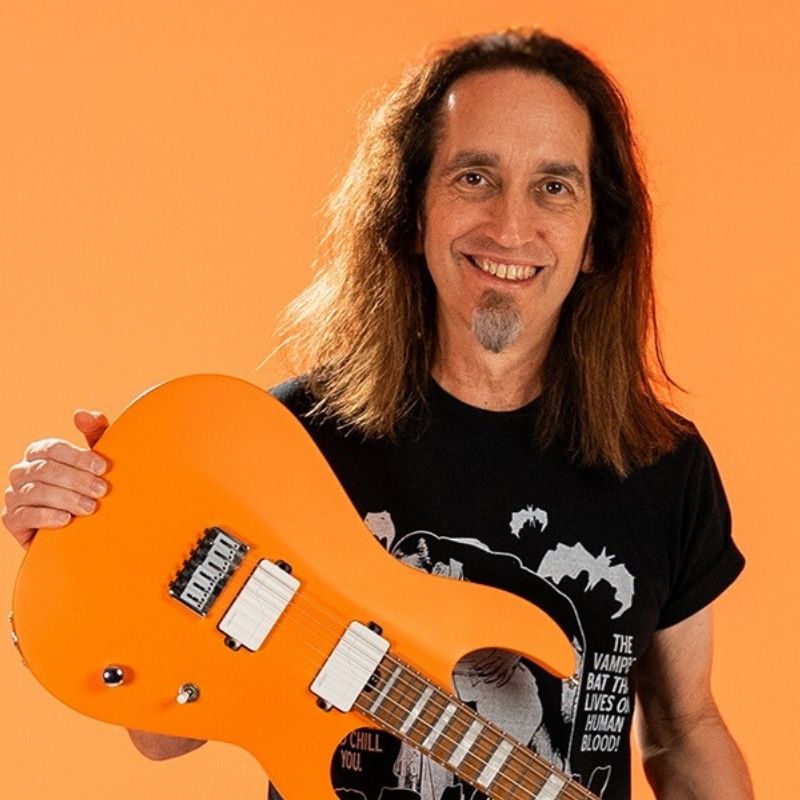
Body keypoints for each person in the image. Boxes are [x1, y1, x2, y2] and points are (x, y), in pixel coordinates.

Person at [3, 29, 753, 800]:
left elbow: (685, 727)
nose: (510, 225)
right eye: (474, 177)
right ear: (409, 214)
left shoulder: (663, 467)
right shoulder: (285, 447)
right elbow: (163, 733)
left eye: (554, 187)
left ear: (597, 238)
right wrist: (78, 548)